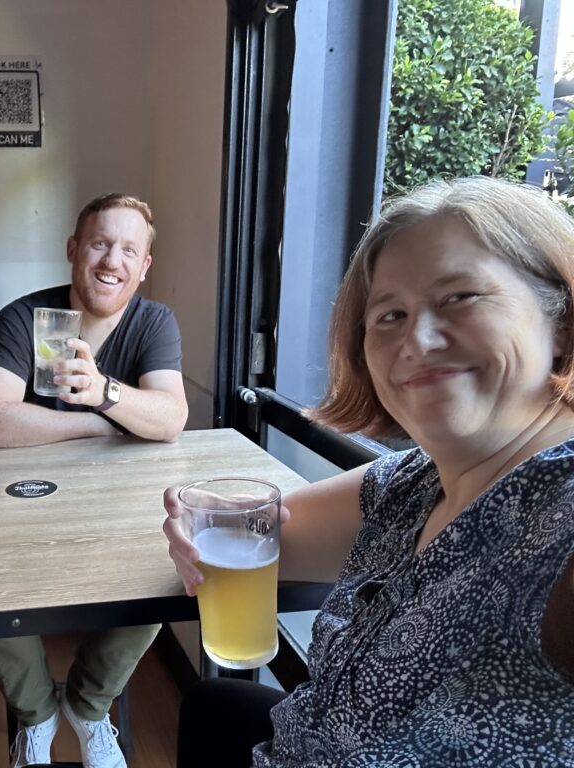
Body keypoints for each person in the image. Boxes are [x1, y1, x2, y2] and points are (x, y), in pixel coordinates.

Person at [163, 175, 574, 766]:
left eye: (461, 296)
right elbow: (260, 529)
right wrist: (189, 523)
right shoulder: (412, 483)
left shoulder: (561, 508)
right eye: (389, 315)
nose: (418, 340)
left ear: (559, 322)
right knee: (211, 703)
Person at [0, 193, 189, 767]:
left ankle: (89, 709)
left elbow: (170, 418)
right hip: (22, 510)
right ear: (73, 249)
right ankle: (36, 713)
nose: (110, 260)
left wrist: (103, 391)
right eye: (99, 243)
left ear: (143, 266)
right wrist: (100, 423)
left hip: (115, 510)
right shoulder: (25, 317)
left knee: (164, 576)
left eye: (128, 250)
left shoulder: (153, 321)